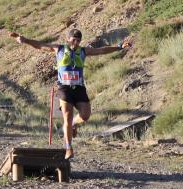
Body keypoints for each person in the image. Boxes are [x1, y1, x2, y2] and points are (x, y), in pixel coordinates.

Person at [10, 29, 131, 159]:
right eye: (74, 39)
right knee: (67, 116)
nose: (76, 42)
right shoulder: (59, 49)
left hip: (79, 88)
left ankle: (74, 124)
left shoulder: (83, 51)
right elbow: (40, 45)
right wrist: (25, 40)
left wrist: (119, 47)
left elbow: (101, 50)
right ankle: (68, 148)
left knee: (85, 115)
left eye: (78, 40)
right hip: (64, 88)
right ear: (68, 39)